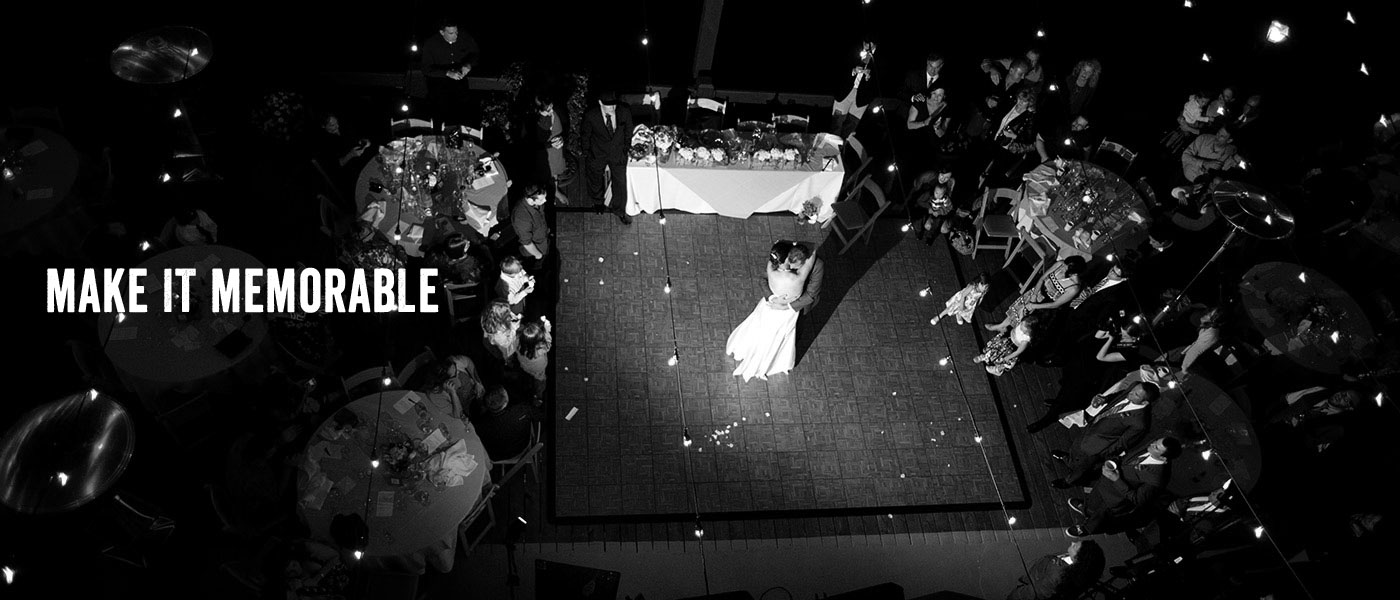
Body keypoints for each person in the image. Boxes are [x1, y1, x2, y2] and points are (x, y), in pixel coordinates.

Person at [726, 241, 817, 381]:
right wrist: (796, 245)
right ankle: (773, 360)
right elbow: (813, 253)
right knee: (779, 336)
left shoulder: (770, 268)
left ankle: (751, 349)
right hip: (787, 313)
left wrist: (773, 298)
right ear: (788, 258)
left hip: (768, 307)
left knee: (761, 328)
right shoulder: (797, 278)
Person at [1051, 381, 1159, 488]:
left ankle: (1069, 481)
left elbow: (1123, 443)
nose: (1130, 393)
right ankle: (1069, 459)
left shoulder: (1140, 423)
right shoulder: (1133, 387)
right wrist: (1105, 399)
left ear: (1144, 403)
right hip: (1092, 428)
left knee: (1083, 467)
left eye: (1136, 394)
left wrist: (1100, 453)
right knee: (1076, 447)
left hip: (1097, 448)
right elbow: (1119, 395)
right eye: (1133, 390)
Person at [1066, 436, 1180, 537]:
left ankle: (1086, 529)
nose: (1151, 444)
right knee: (1093, 500)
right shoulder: (1150, 446)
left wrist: (1116, 479)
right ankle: (1086, 509)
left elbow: (1137, 499)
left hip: (1115, 498)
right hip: (1105, 483)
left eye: (1156, 447)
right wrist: (1114, 460)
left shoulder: (1158, 478)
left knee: (1100, 516)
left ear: (1164, 458)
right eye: (1155, 441)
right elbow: (1129, 456)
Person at [986, 256, 1087, 333]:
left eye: (1066, 267)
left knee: (1025, 324)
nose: (1062, 267)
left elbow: (1056, 304)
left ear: (1074, 273)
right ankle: (1002, 325)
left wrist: (1034, 305)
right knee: (1018, 310)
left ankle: (1010, 337)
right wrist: (1034, 296)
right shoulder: (1060, 264)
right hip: (1038, 291)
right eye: (1064, 264)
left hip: (1046, 305)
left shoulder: (1074, 287)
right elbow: (1043, 278)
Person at [581, 89, 634, 224]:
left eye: (614, 104)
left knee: (620, 183)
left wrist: (625, 150)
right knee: (594, 178)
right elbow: (585, 135)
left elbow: (628, 132)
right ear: (600, 103)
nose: (612, 108)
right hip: (597, 153)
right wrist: (587, 153)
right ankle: (598, 203)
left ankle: (619, 210)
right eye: (608, 105)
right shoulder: (591, 115)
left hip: (618, 153)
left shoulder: (624, 111)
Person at [421, 18, 480, 126]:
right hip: (438, 86)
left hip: (460, 85)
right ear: (442, 32)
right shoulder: (431, 43)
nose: (455, 36)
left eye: (456, 32)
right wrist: (447, 73)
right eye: (451, 33)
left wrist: (468, 64)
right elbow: (426, 68)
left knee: (462, 115)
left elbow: (475, 54)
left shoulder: (464, 38)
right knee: (440, 117)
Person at [989, 88, 1050, 185]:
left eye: (1024, 101)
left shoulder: (1029, 117)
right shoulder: (1010, 105)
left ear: (1029, 103)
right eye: (1019, 99)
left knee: (993, 176)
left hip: (1006, 149)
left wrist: (1014, 136)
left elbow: (1028, 138)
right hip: (992, 140)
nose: (1020, 103)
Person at [1007, 540, 1105, 600]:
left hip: (1032, 582)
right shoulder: (1079, 568)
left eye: (1075, 546)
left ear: (1077, 559)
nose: (1072, 542)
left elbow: (1034, 592)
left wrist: (1015, 595)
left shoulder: (1056, 577)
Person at [471, 386, 543, 461]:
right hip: (521, 447)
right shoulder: (523, 410)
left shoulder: (481, 424)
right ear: (505, 402)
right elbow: (540, 416)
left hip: (494, 455)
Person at [523, 95, 569, 204]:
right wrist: (549, 145)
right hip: (542, 150)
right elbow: (530, 144)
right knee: (543, 170)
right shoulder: (530, 120)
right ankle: (543, 194)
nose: (547, 114)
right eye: (543, 112)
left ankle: (555, 190)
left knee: (555, 167)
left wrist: (563, 138)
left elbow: (566, 125)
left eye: (548, 110)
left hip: (555, 148)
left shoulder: (558, 110)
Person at [831, 41, 878, 138]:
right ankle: (831, 150)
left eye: (870, 45)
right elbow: (840, 68)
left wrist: (868, 77)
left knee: (850, 128)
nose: (867, 46)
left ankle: (843, 149)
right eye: (865, 43)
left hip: (863, 98)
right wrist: (853, 71)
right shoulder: (853, 51)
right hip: (845, 92)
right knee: (837, 124)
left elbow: (880, 81)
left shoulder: (878, 59)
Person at [975, 311, 1045, 376]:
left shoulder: (1026, 340)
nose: (1020, 328)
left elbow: (1018, 351)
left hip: (1011, 348)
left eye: (1022, 329)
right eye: (1020, 326)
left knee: (1002, 359)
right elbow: (1021, 318)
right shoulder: (1023, 323)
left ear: (1029, 331)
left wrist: (1008, 357)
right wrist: (1022, 311)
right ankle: (986, 356)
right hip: (1006, 339)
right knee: (995, 347)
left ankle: (997, 369)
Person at [511, 183, 551, 271]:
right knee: (536, 264)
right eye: (541, 199)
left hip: (543, 238)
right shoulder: (522, 218)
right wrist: (538, 255)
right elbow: (527, 243)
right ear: (530, 200)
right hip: (535, 249)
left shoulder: (535, 203)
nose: (545, 201)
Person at [516, 316, 552, 405]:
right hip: (538, 370)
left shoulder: (517, 342)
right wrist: (547, 329)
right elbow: (548, 341)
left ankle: (529, 386)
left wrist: (538, 321)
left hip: (525, 366)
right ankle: (538, 396)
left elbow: (525, 331)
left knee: (529, 375)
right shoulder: (541, 348)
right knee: (540, 381)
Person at [480, 299, 521, 368]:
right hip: (502, 346)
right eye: (508, 314)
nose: (511, 314)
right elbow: (506, 343)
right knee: (507, 355)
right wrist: (514, 328)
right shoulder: (499, 335)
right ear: (501, 319)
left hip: (494, 339)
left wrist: (513, 317)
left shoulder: (488, 317)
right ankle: (508, 363)